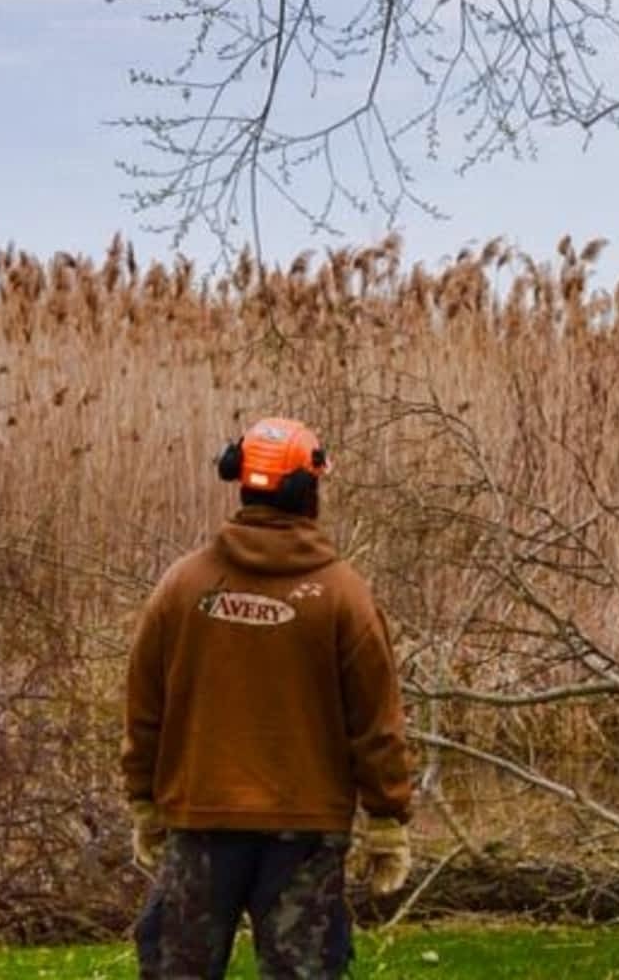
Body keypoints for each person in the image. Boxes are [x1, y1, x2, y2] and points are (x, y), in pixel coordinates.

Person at [123, 417, 412, 979]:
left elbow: (144, 705)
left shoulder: (183, 585)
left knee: (176, 970)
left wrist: (144, 799)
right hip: (305, 830)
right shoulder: (343, 595)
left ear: (241, 481)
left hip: (199, 817)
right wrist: (387, 818)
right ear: (310, 490)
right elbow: (377, 722)